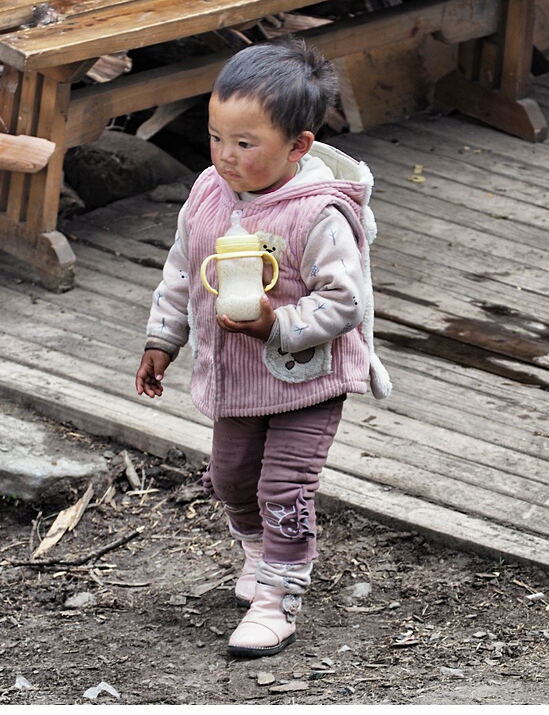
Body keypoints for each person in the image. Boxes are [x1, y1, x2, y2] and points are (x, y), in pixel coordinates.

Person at [135, 36, 391, 659]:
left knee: (285, 485)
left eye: (245, 144)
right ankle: (257, 555)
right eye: (217, 136)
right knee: (231, 478)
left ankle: (280, 595)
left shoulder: (318, 216)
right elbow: (180, 269)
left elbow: (344, 301)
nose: (224, 156)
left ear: (298, 145)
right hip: (237, 378)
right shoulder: (207, 192)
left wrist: (278, 322)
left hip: (307, 378)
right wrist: (163, 339)